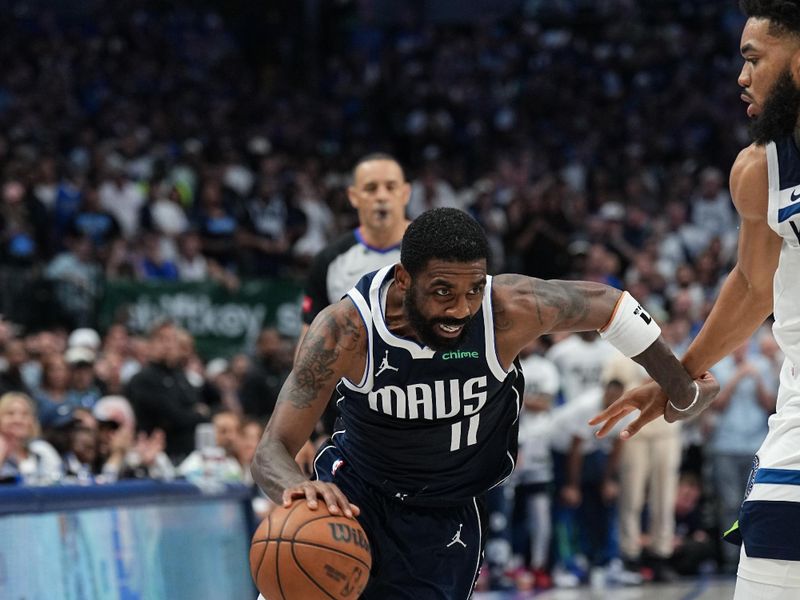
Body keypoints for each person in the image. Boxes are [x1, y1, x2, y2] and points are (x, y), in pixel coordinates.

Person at [251, 208, 716, 599]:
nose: (460, 309)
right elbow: (271, 449)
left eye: (473, 289)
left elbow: (611, 305)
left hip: (446, 516)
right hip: (355, 497)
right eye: (442, 292)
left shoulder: (506, 309)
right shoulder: (345, 330)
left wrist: (681, 389)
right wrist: (296, 487)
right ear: (403, 278)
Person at [590, 3, 800, 597]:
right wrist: (675, 377)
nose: (742, 77)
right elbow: (753, 286)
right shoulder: (764, 169)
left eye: (753, 59)